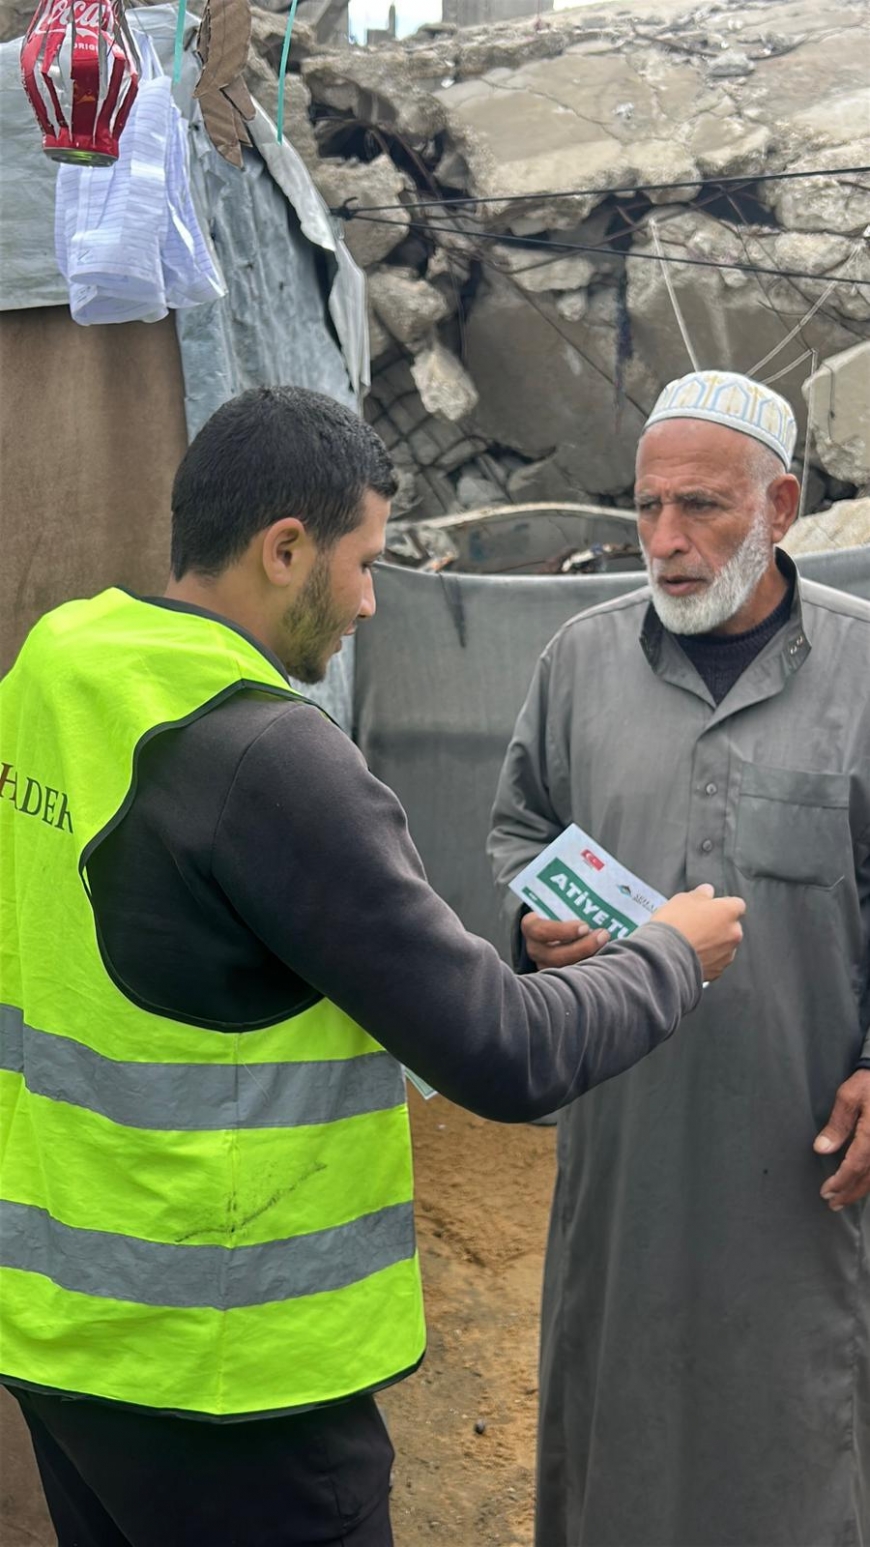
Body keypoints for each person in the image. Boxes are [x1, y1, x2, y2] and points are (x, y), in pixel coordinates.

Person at [0, 385, 744, 1547]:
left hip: (61, 1335)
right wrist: (669, 956)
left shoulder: (58, 660)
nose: (368, 600)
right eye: (363, 562)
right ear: (284, 548)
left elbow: (185, 937)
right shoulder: (273, 758)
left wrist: (517, 953)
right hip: (233, 1371)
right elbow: (505, 1053)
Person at [489, 368, 870, 1547]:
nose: (665, 539)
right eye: (647, 505)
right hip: (625, 1151)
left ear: (781, 506)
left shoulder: (864, 670)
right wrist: (531, 924)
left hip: (809, 1163)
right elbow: (519, 830)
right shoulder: (578, 661)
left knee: (804, 1433)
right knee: (620, 1426)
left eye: (701, 505)